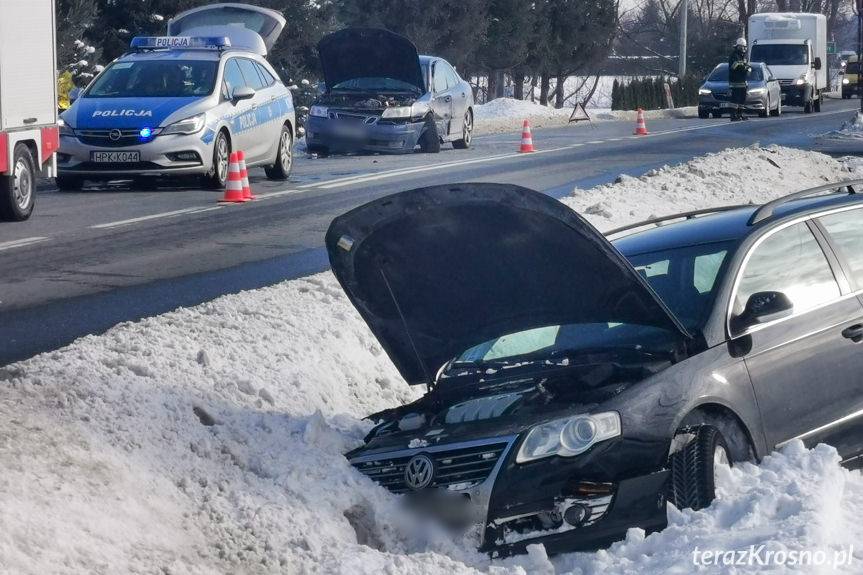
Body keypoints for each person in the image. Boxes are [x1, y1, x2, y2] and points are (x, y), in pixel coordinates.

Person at [728, 38, 752, 122]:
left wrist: (748, 68)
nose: (744, 49)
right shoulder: (734, 55)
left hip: (743, 81)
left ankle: (740, 114)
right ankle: (733, 115)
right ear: (738, 46)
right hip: (735, 81)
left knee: (742, 99)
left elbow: (747, 65)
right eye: (742, 47)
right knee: (735, 100)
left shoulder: (743, 56)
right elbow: (734, 67)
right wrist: (744, 67)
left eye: (745, 47)